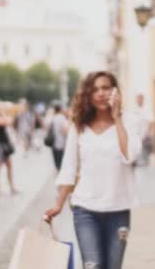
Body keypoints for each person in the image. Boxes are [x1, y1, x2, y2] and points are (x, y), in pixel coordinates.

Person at [44, 71, 141, 269]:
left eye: (106, 88)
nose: (101, 93)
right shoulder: (79, 127)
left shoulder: (130, 121)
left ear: (115, 92)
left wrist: (117, 118)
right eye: (95, 89)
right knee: (93, 266)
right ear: (88, 95)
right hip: (85, 210)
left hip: (118, 209)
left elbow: (129, 156)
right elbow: (69, 168)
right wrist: (58, 205)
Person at [133, 94, 154, 166]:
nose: (139, 100)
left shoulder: (146, 110)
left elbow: (150, 122)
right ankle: (138, 162)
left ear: (143, 100)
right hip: (136, 134)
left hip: (145, 134)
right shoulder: (134, 110)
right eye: (137, 99)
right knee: (137, 149)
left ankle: (146, 162)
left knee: (145, 150)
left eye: (140, 99)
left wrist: (148, 133)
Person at [50, 103, 69, 171]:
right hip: (62, 143)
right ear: (60, 109)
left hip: (53, 143)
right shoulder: (62, 118)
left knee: (56, 162)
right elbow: (65, 131)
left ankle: (58, 172)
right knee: (62, 162)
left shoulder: (53, 118)